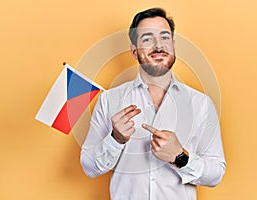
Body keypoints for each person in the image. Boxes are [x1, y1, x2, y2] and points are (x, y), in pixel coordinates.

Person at [80, 7, 226, 200]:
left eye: (165, 37)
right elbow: (89, 167)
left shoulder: (200, 104)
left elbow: (215, 173)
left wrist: (179, 157)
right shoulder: (110, 100)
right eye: (147, 39)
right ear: (134, 51)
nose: (159, 46)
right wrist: (115, 139)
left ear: (173, 45)